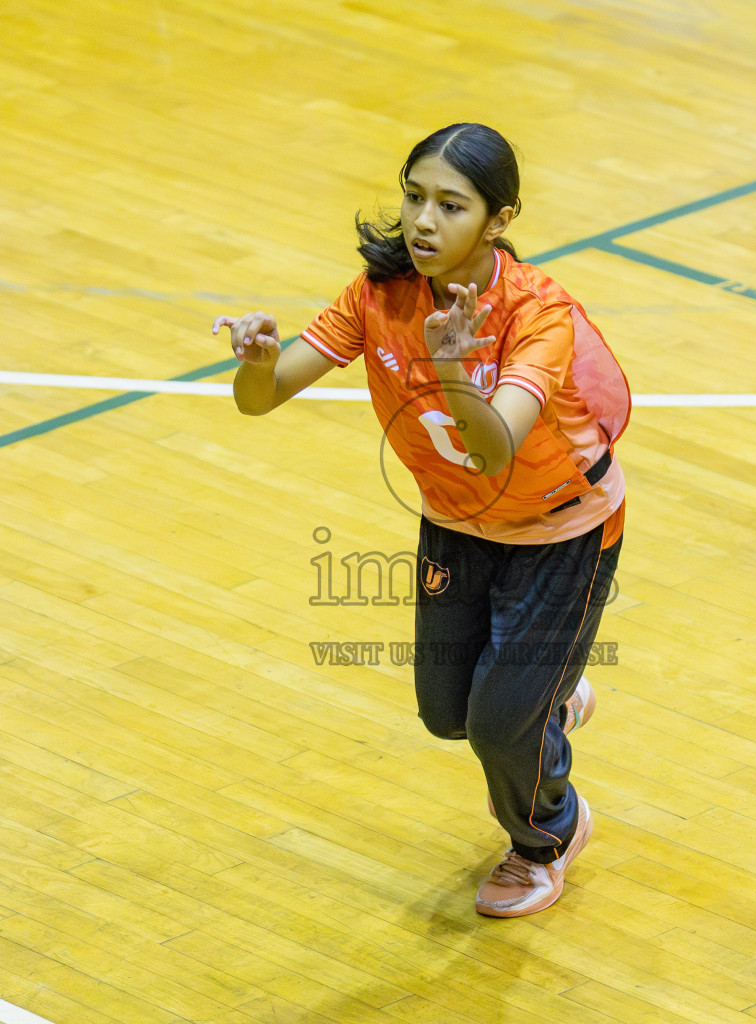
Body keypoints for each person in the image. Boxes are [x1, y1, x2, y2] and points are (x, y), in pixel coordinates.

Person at [215, 123, 630, 918]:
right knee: (449, 715)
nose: (423, 222)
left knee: (499, 727)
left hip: (561, 529)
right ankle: (548, 696)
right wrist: (258, 364)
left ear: (500, 218)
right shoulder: (378, 293)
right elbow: (260, 401)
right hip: (456, 526)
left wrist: (449, 367)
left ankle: (547, 834)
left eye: (450, 204)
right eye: (414, 197)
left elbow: (496, 446)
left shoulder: (538, 312)